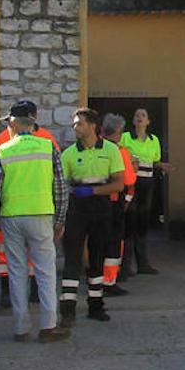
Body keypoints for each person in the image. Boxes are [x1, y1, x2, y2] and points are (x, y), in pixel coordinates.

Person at [0, 102, 71, 342]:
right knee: (45, 271)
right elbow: (61, 187)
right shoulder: (48, 147)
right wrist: (60, 220)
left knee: (17, 272)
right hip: (42, 215)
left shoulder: (4, 150)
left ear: (13, 123)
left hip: (11, 217)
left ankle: (21, 328)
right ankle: (48, 326)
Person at [59, 108, 125, 324]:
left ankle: (96, 306)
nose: (75, 127)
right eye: (74, 124)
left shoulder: (111, 150)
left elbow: (119, 183)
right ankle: (67, 310)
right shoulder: (68, 154)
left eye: (79, 123)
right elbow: (60, 185)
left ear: (92, 126)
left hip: (100, 206)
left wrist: (94, 191)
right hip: (77, 207)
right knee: (72, 256)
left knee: (97, 257)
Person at [119, 108, 172, 275]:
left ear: (148, 121)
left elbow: (154, 161)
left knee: (142, 222)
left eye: (143, 116)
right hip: (131, 183)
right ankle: (125, 266)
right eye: (137, 116)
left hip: (148, 183)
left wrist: (161, 165)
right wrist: (129, 159)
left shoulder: (153, 139)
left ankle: (143, 263)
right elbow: (118, 154)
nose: (140, 118)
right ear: (133, 121)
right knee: (129, 222)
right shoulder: (125, 137)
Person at [100, 113, 137, 295]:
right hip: (114, 202)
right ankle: (109, 282)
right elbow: (129, 179)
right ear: (120, 132)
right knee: (114, 243)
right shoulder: (119, 152)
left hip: (93, 202)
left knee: (96, 240)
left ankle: (95, 278)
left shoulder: (94, 148)